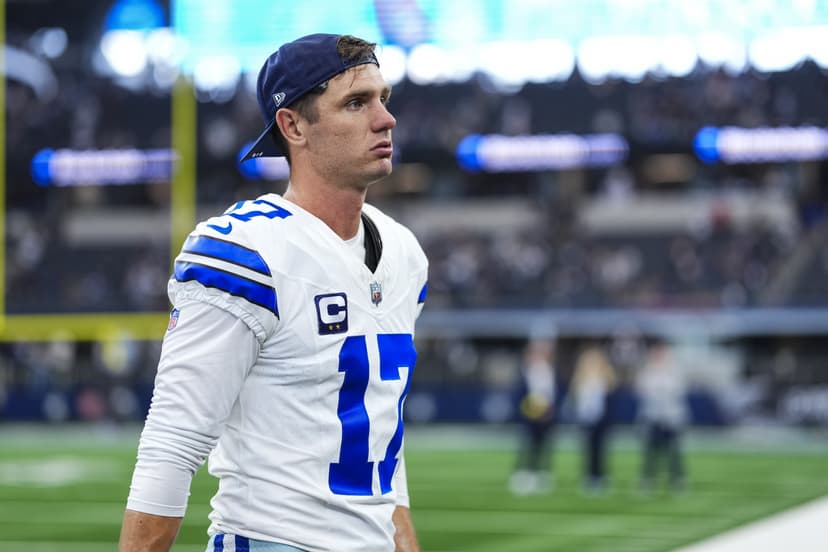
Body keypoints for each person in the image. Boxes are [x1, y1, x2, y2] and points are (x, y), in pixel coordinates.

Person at [118, 34, 428, 552]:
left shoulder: (403, 252)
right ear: (293, 126)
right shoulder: (248, 251)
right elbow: (173, 443)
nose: (385, 119)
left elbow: (381, 439)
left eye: (383, 98)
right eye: (356, 103)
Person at [636, 341, 688, 493]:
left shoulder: (674, 370)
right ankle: (648, 479)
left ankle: (677, 480)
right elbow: (643, 390)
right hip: (652, 416)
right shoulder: (647, 371)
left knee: (673, 451)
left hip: (671, 416)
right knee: (650, 450)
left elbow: (677, 390)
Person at [509, 338, 558, 495]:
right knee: (527, 444)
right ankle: (524, 473)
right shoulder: (527, 371)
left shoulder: (550, 371)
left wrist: (549, 411)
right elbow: (521, 394)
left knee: (544, 445)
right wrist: (529, 411)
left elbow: (553, 394)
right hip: (529, 415)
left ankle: (541, 473)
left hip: (547, 415)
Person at [571, 343, 616, 495]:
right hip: (586, 420)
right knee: (588, 450)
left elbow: (610, 400)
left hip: (602, 420)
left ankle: (600, 476)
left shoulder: (606, 378)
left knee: (601, 450)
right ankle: (589, 477)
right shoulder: (580, 379)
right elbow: (576, 400)